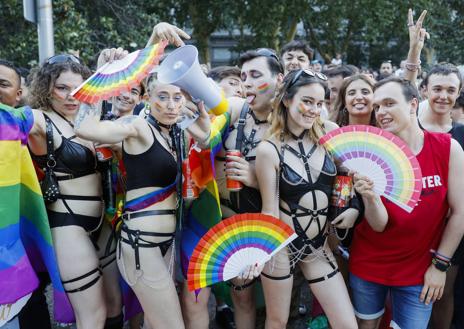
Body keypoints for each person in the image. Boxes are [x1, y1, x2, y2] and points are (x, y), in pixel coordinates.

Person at [349, 75, 464, 329]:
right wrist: (370, 197)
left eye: (389, 103)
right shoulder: (370, 152)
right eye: (377, 107)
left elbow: (460, 213)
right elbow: (378, 225)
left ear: (413, 104)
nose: (381, 112)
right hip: (368, 265)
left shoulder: (448, 148)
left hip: (419, 272)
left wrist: (440, 266)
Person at [255, 69, 358, 329]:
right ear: (287, 100)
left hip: (318, 248)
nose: (313, 109)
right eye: (307, 101)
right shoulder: (269, 149)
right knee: (277, 321)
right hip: (281, 249)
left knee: (347, 324)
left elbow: (352, 177)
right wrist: (260, 253)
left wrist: (355, 206)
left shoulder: (329, 134)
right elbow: (270, 210)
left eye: (320, 103)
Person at [416, 63, 464, 329]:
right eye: (437, 89)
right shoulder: (408, 129)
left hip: (451, 229)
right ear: (424, 90)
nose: (443, 96)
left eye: (450, 90)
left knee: (442, 294)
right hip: (410, 228)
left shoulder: (462, 134)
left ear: (459, 93)